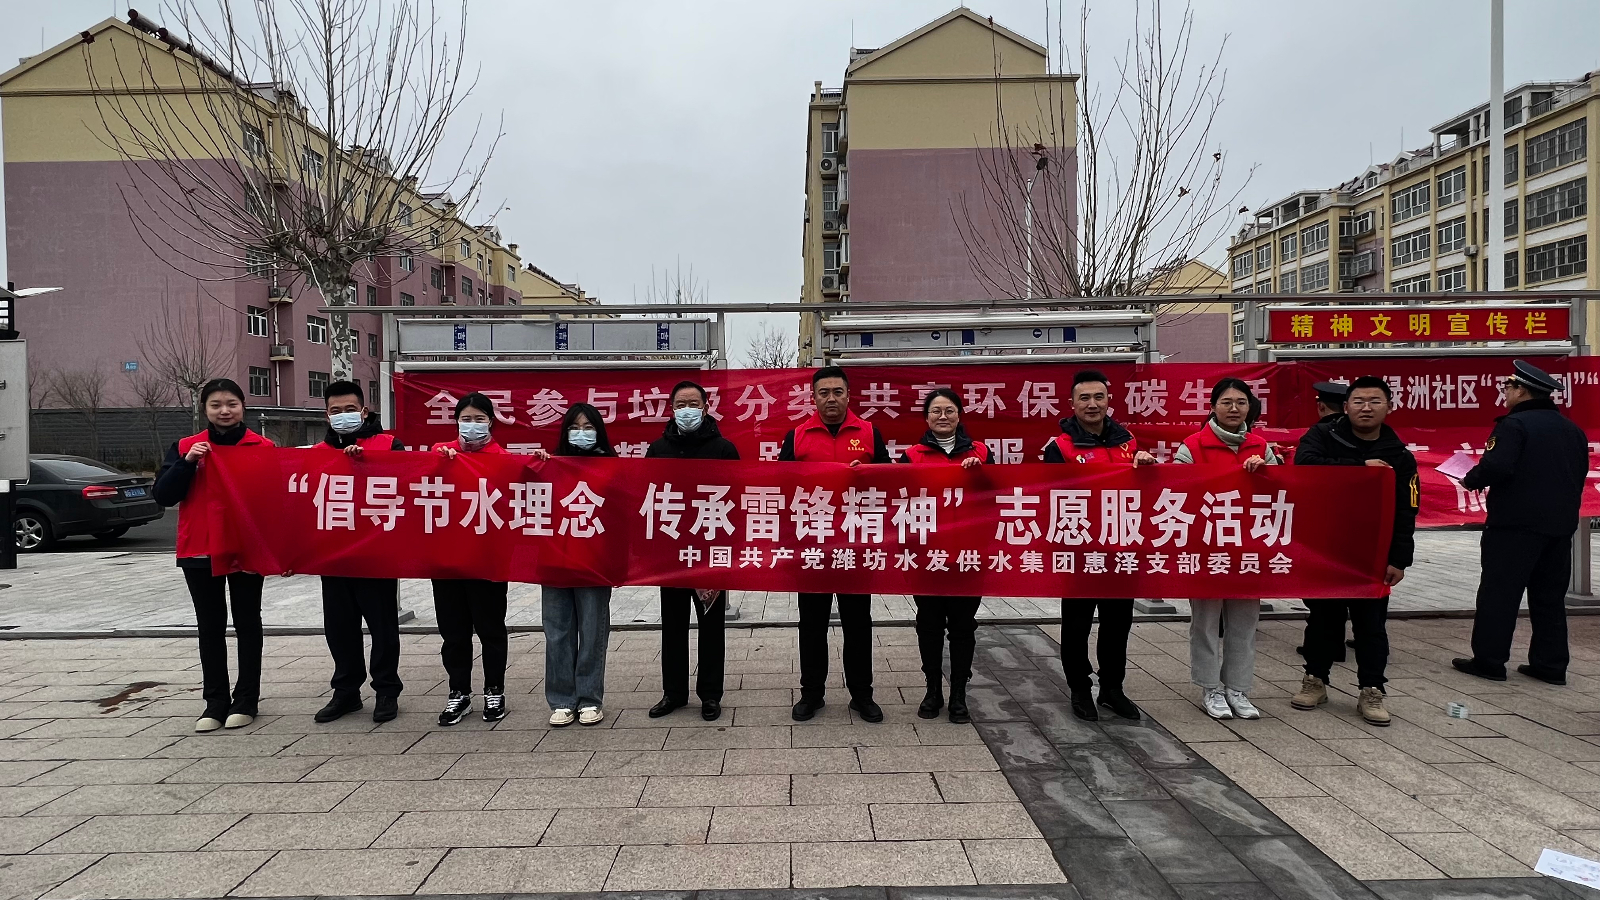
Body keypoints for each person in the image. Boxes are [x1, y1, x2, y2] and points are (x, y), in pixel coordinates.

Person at [1453, 360, 1589, 685]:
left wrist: (1470, 478)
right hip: (1559, 527)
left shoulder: (1514, 425)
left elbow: (1497, 466)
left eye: (1508, 387)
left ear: (1522, 391)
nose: (1505, 393)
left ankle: (1489, 661)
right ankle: (1550, 665)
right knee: (1549, 598)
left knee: (1499, 593)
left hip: (1514, 526)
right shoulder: (1572, 430)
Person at [1291, 376, 1417, 725]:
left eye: (1375, 401)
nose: (1366, 408)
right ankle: (1315, 680)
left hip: (1372, 553)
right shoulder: (1322, 436)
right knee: (1322, 619)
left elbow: (1407, 510)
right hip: (1327, 547)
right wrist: (1360, 469)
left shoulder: (1400, 456)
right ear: (1346, 407)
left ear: (1389, 407)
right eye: (1359, 401)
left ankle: (1372, 690)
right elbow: (1305, 467)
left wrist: (1399, 559)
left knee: (1371, 625)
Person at [152, 378, 275, 732]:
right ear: (204, 409)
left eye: (231, 404)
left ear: (243, 406)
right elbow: (164, 495)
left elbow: (274, 501)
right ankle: (215, 702)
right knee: (210, 627)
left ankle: (246, 699)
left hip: (245, 548)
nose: (224, 411)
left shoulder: (262, 446)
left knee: (248, 623)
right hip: (199, 547)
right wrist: (187, 463)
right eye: (216, 405)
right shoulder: (186, 447)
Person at [778, 366, 892, 723]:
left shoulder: (869, 433)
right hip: (812, 543)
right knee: (811, 623)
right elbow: (779, 485)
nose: (831, 398)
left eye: (837, 392)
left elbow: (891, 481)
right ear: (813, 397)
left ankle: (862, 695)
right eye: (824, 392)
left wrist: (868, 474)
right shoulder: (797, 435)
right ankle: (811, 693)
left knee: (858, 622)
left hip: (856, 544)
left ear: (848, 395)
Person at [1043, 370, 1156, 722]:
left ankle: (1112, 688)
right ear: (1072, 403)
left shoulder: (1128, 442)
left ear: (1109, 401)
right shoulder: (1059, 448)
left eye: (1098, 397)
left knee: (1118, 624)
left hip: (1122, 549)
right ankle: (1079, 688)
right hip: (1080, 552)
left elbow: (1145, 494)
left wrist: (1146, 466)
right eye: (1084, 398)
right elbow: (1049, 500)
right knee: (1076, 625)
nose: (1092, 404)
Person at [1173, 378, 1279, 721]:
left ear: (1250, 407)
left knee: (1245, 621)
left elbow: (1282, 491)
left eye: (1241, 402)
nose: (1234, 409)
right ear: (1213, 407)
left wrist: (1265, 473)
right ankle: (1210, 687)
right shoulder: (1193, 446)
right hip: (1207, 547)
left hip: (1249, 547)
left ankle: (1238, 688)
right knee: (1205, 621)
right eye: (1226, 402)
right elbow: (1176, 491)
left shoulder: (1260, 446)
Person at [645, 381, 740, 722]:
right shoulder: (658, 449)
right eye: (681, 404)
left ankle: (710, 694)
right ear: (671, 409)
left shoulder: (723, 449)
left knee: (711, 625)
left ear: (705, 407)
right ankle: (673, 693)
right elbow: (647, 496)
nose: (687, 410)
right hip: (670, 554)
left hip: (709, 553)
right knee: (672, 625)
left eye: (693, 403)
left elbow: (737, 498)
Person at [312, 380, 406, 725]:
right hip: (334, 556)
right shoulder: (315, 454)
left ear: (364, 411)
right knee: (339, 628)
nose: (343, 415)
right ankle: (346, 691)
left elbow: (408, 484)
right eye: (335, 411)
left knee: (383, 628)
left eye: (350, 409)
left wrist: (367, 464)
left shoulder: (389, 444)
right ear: (327, 415)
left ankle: (386, 690)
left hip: (376, 555)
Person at [898, 388, 989, 724]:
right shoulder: (912, 456)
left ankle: (959, 695)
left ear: (959, 415)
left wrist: (981, 474)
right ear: (926, 418)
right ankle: (933, 689)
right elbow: (900, 501)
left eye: (949, 410)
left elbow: (997, 496)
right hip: (927, 557)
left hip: (968, 557)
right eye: (935, 411)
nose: (942, 417)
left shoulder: (981, 452)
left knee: (963, 627)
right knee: (930, 625)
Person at [430, 392, 512, 725]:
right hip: (446, 560)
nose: (473, 425)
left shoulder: (503, 459)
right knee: (454, 632)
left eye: (479, 419)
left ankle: (495, 690)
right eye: (466, 419)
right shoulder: (439, 453)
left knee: (491, 629)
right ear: (456, 422)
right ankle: (459, 692)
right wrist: (440, 463)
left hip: (488, 560)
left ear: (491, 422)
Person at [537, 403, 619, 727]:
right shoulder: (551, 464)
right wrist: (535, 466)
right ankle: (561, 700)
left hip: (594, 564)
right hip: (555, 562)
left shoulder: (612, 468)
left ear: (599, 432)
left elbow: (622, 517)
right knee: (557, 633)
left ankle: (589, 699)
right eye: (575, 427)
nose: (581, 433)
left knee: (593, 632)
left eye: (588, 427)